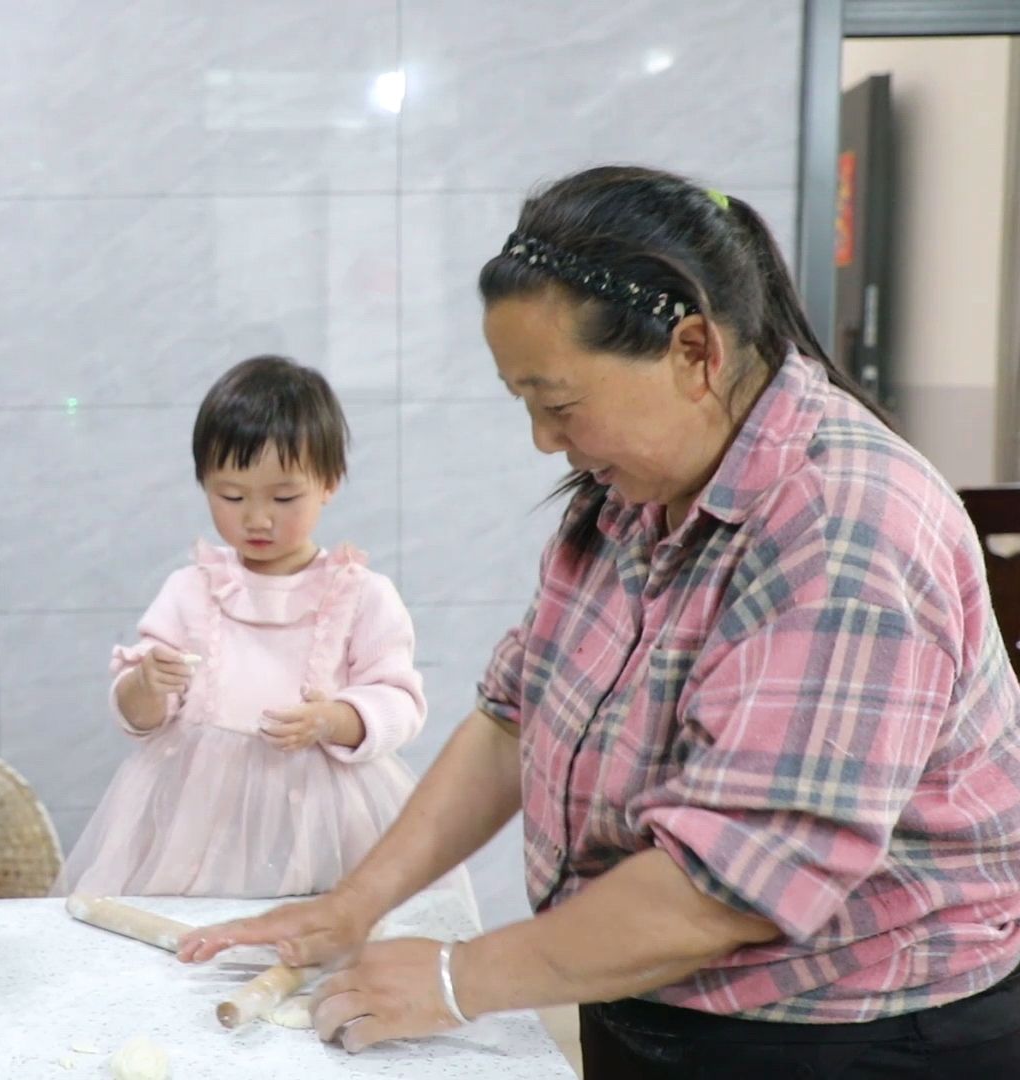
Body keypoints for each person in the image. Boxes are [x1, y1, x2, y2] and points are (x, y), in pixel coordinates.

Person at [177, 166, 1020, 1076]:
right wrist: (356, 903)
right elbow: (512, 718)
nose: (545, 438)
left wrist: (460, 978)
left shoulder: (844, 529)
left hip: (847, 1032)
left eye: (560, 402)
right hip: (643, 981)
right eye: (526, 404)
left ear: (694, 351)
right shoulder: (638, 489)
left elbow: (728, 888)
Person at [59, 356, 471, 907]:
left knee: (332, 941)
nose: (256, 519)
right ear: (204, 484)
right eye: (231, 497)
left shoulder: (361, 594)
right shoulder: (191, 589)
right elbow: (140, 718)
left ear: (329, 484)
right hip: (200, 816)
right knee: (186, 942)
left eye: (283, 498)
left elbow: (399, 701)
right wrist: (146, 685)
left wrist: (336, 718)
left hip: (325, 816)